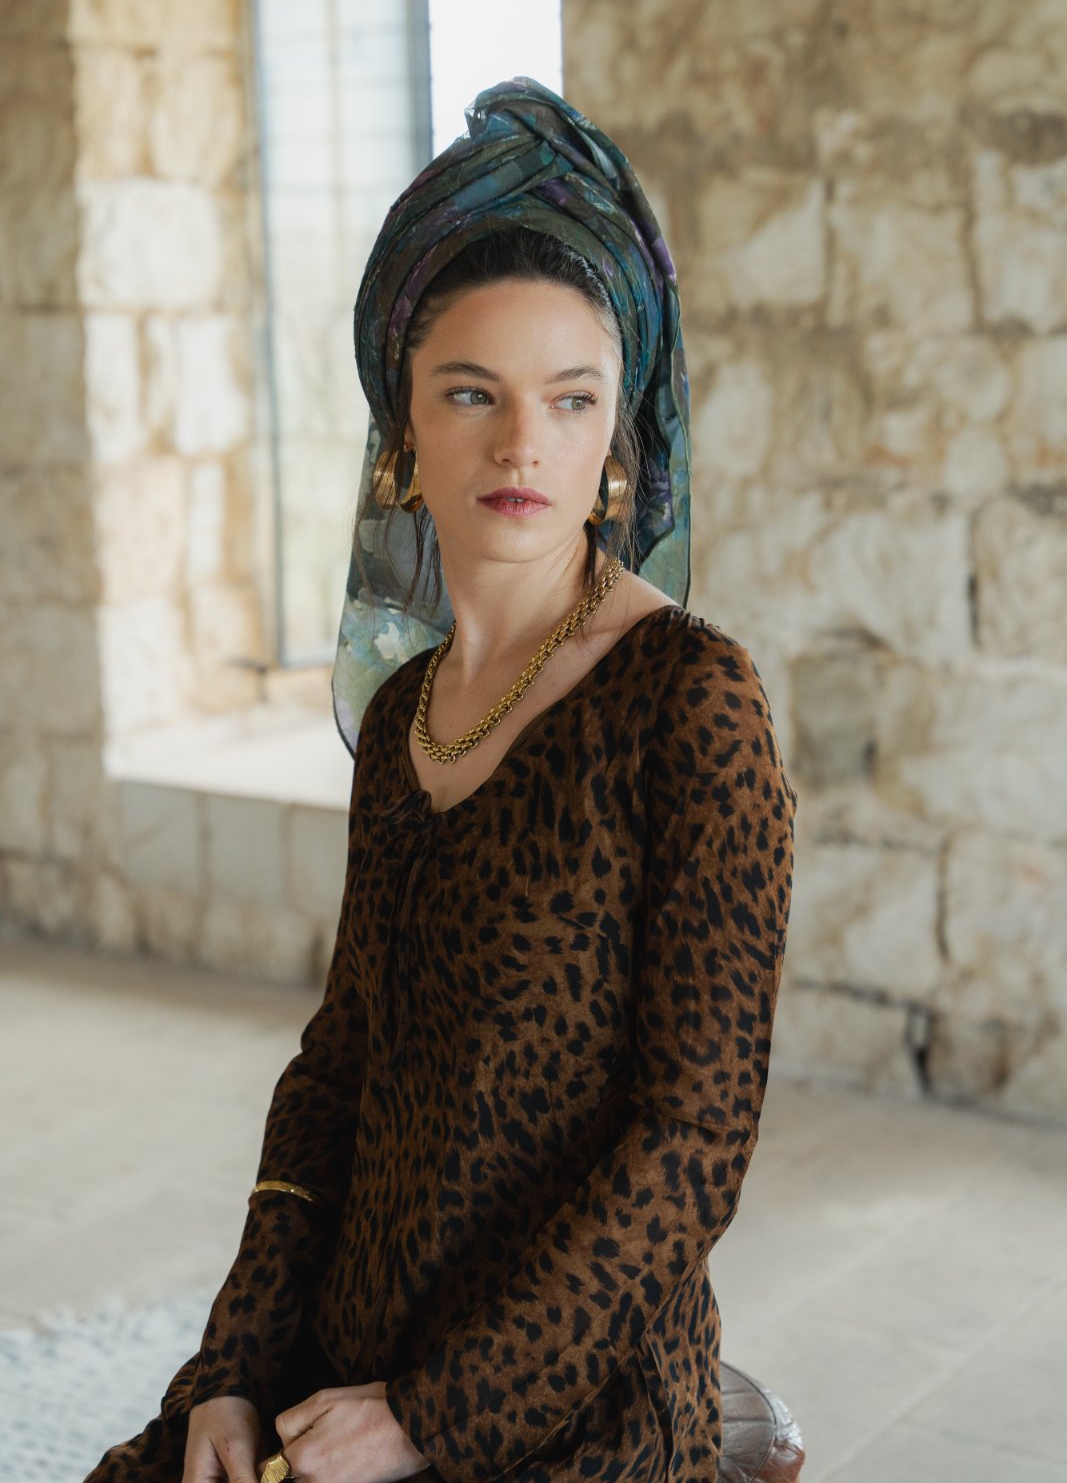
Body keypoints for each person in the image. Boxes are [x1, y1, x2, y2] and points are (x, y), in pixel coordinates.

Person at [83, 77, 798, 1483]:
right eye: (473, 393)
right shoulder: (409, 711)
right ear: (401, 432)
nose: (522, 443)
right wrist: (233, 1368)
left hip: (566, 1397)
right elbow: (336, 1070)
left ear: (615, 442)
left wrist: (429, 1417)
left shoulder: (690, 702)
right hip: (352, 1341)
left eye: (570, 400)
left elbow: (693, 1145)